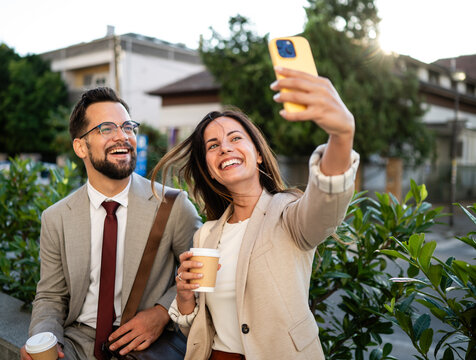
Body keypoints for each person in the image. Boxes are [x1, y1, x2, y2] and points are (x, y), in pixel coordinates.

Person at [151, 66, 360, 360]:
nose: (224, 148)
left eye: (236, 139)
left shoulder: (289, 214)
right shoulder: (206, 235)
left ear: (258, 153)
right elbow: (197, 331)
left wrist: (341, 135)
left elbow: (325, 205)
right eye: (213, 146)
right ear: (210, 171)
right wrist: (185, 297)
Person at [20, 87, 201, 360]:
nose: (122, 136)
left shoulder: (173, 205)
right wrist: (45, 340)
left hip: (145, 346)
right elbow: (51, 296)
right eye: (106, 128)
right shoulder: (56, 218)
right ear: (80, 146)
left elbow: (200, 274)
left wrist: (162, 312)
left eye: (128, 126)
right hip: (77, 343)